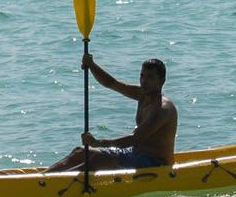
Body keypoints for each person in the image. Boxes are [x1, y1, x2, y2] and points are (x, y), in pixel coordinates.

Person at [49, 54, 178, 172]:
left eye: (150, 77)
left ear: (162, 81)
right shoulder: (142, 95)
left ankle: (51, 185)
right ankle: (42, 177)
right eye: (142, 76)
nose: (143, 81)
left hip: (156, 163)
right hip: (134, 153)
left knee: (98, 159)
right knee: (81, 152)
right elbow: (112, 83)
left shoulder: (162, 109)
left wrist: (98, 143)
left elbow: (135, 139)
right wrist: (92, 65)